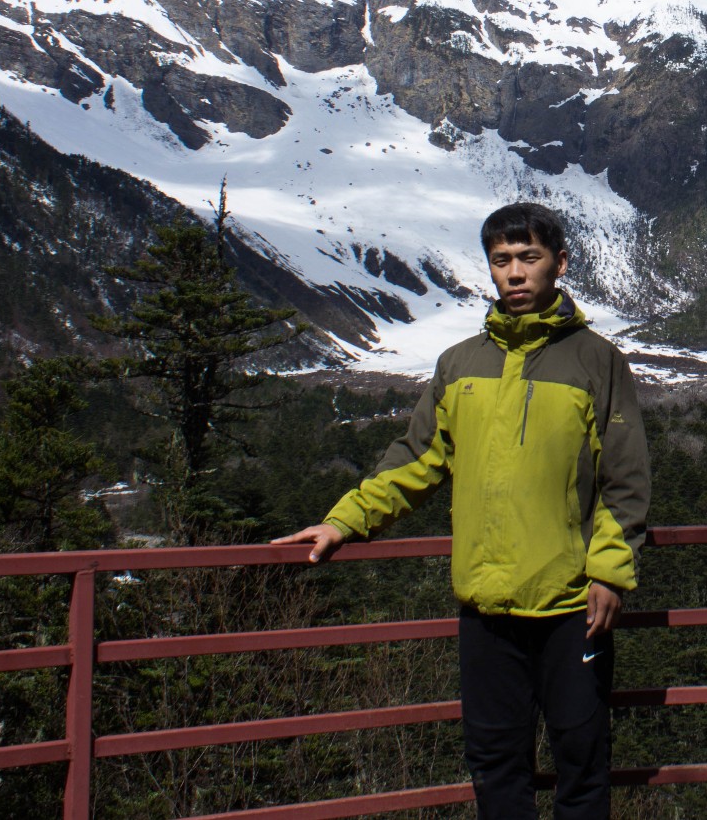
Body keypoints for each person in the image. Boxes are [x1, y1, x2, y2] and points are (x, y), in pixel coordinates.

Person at [273, 202, 649, 820]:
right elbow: (417, 459)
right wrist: (344, 520)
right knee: (495, 765)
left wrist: (610, 571)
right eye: (502, 261)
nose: (516, 273)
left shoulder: (596, 361)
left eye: (529, 258)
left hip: (570, 605)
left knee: (582, 761)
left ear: (560, 263)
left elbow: (625, 478)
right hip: (484, 604)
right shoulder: (459, 365)